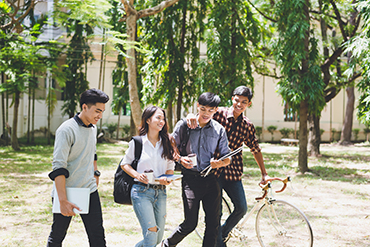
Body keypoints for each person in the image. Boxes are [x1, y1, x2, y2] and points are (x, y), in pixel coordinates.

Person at [187, 86, 270, 247]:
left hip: (233, 171)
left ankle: (222, 234)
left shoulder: (247, 125)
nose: (239, 104)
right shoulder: (217, 114)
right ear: (232, 99)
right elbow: (200, 116)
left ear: (248, 104)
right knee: (215, 214)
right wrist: (191, 116)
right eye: (237, 100)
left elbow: (255, 149)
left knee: (241, 208)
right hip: (213, 171)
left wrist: (264, 174)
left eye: (244, 102)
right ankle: (218, 241)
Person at [162, 92, 231, 247]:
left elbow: (228, 157)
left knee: (213, 223)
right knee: (190, 223)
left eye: (211, 110)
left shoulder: (219, 130)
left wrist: (219, 163)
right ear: (198, 107)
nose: (206, 113)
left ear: (216, 110)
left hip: (210, 179)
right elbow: (171, 146)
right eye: (203, 109)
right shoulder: (185, 125)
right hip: (190, 179)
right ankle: (167, 244)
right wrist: (180, 159)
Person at [47, 88, 109, 247]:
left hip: (89, 190)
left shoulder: (93, 128)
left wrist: (95, 173)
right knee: (57, 237)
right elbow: (58, 167)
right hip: (67, 192)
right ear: (84, 107)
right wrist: (62, 200)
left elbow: (92, 153)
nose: (100, 116)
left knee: (98, 237)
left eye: (102, 111)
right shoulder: (66, 130)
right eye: (97, 111)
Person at [121, 106, 176, 247]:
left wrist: (168, 178)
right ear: (147, 120)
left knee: (157, 239)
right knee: (151, 236)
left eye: (163, 119)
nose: (162, 121)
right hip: (141, 192)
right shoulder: (137, 142)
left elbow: (170, 167)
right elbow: (125, 164)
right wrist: (137, 175)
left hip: (161, 192)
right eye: (158, 117)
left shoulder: (167, 142)